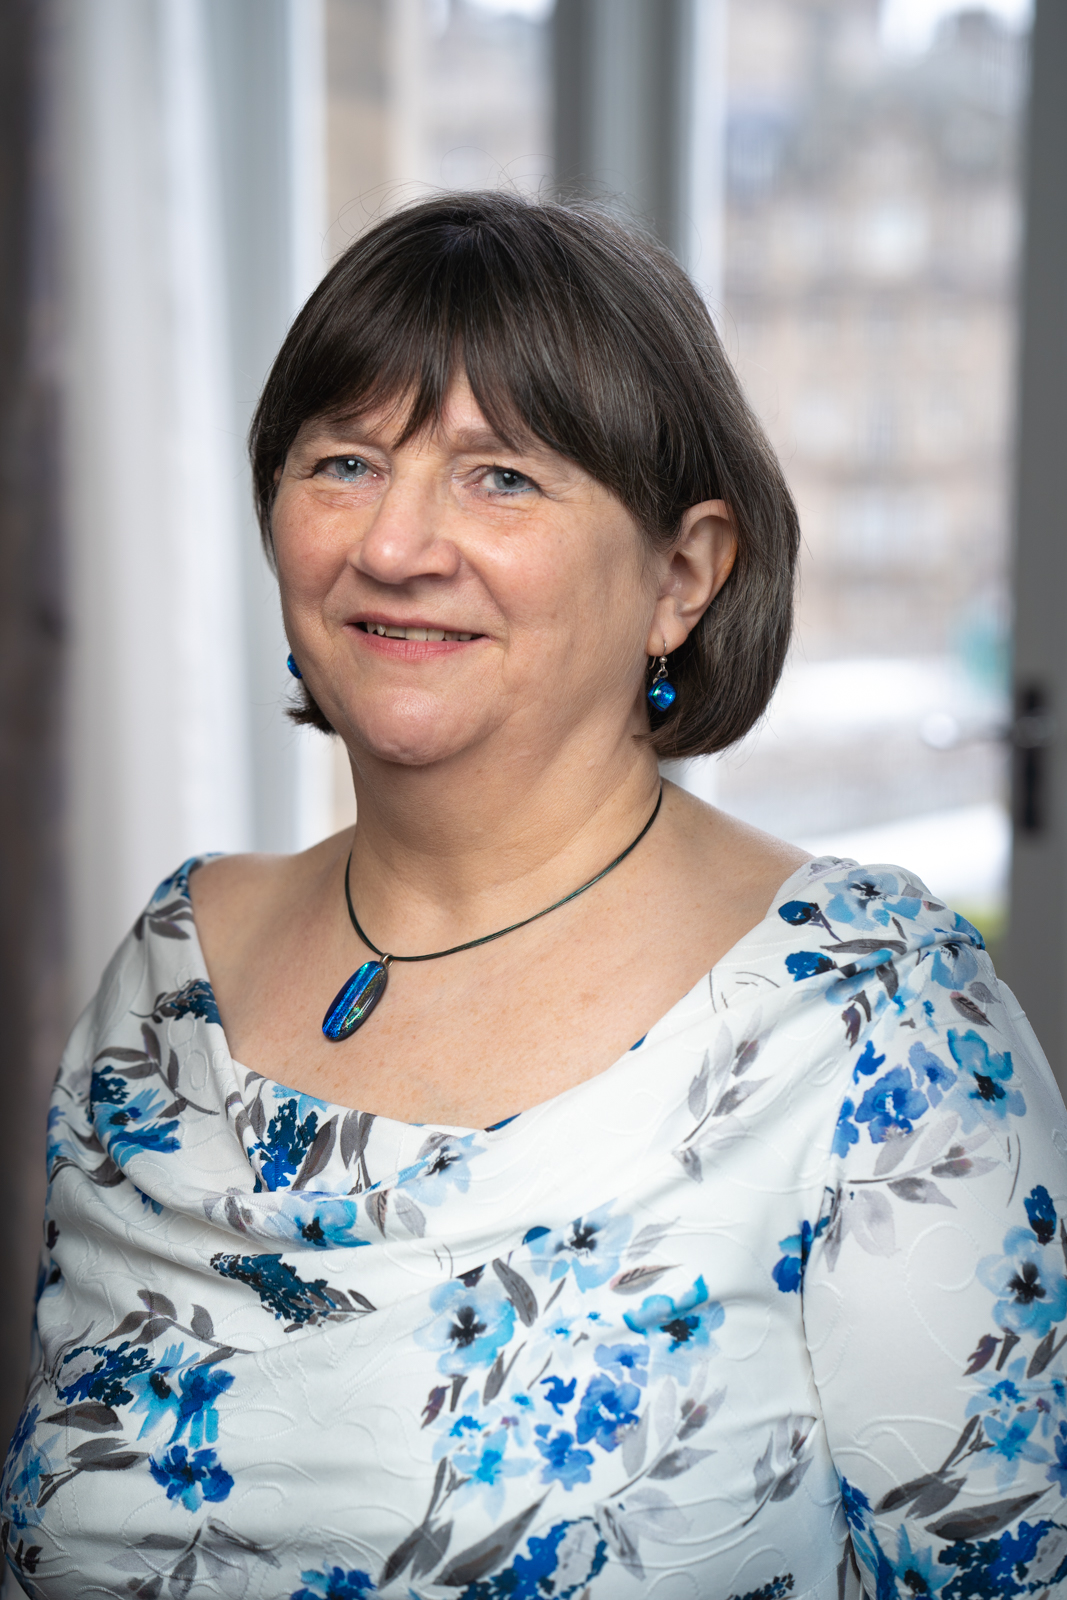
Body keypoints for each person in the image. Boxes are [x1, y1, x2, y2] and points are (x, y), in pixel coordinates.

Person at [3, 193, 1065, 1600]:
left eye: (499, 476)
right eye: (344, 462)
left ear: (684, 575)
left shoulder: (877, 1017)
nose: (392, 547)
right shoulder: (169, 966)